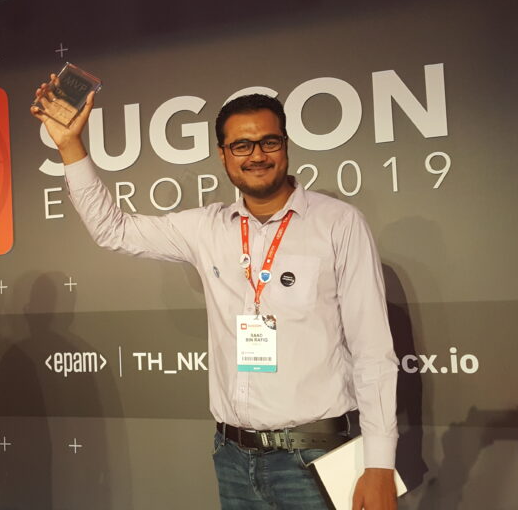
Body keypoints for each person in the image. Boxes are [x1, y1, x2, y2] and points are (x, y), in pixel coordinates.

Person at [31, 79, 399, 510]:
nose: (257, 155)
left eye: (268, 142)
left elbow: (373, 351)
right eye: (241, 146)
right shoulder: (207, 227)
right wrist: (71, 146)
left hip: (315, 457)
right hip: (233, 458)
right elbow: (113, 230)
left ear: (286, 145)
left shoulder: (338, 223)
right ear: (223, 155)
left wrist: (379, 466)